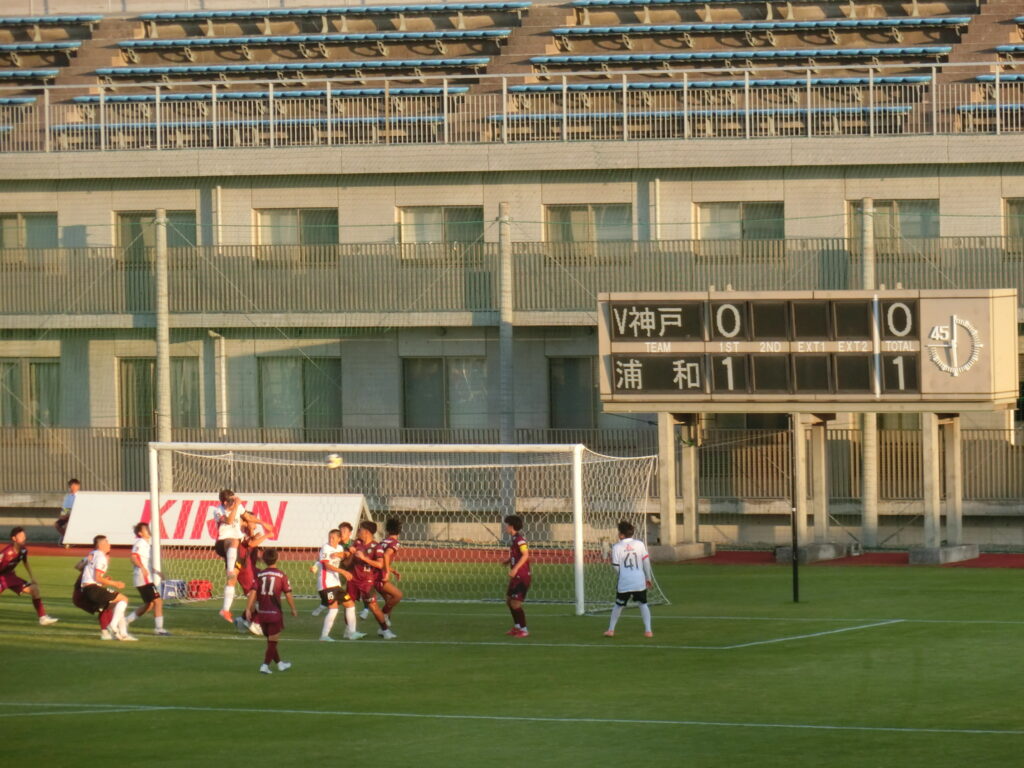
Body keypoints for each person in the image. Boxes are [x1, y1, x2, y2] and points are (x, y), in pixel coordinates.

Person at [245, 548, 297, 675]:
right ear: (277, 559)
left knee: (270, 641)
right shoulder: (281, 575)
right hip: (275, 613)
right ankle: (265, 666)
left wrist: (248, 608)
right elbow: (288, 593)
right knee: (273, 642)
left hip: (262, 613)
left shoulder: (259, 575)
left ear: (263, 560)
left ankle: (280, 664)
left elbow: (253, 592)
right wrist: (293, 608)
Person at [603, 520, 654, 639]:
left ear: (621, 535)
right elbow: (646, 561)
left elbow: (615, 566)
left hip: (625, 582)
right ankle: (648, 631)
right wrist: (648, 577)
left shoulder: (616, 547)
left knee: (618, 605)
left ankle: (611, 630)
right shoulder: (639, 544)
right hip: (639, 580)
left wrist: (623, 575)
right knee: (643, 604)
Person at [80, 534, 136, 641]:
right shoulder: (101, 557)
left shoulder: (92, 553)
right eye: (107, 542)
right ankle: (112, 625)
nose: (109, 544)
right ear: (101, 545)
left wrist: (87, 569)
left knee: (118, 605)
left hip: (87, 589)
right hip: (92, 588)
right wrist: (115, 583)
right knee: (124, 599)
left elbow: (78, 566)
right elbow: (98, 578)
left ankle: (123, 634)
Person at [0, 527, 59, 626]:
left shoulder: (23, 550)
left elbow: (25, 562)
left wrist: (33, 577)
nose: (24, 538)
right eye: (21, 536)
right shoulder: (5, 553)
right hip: (1, 577)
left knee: (34, 590)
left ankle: (43, 618)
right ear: (14, 538)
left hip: (10, 576)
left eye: (24, 535)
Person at [213, 489, 255, 623]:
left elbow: (249, 518)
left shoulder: (239, 508)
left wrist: (262, 523)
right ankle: (254, 618)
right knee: (234, 541)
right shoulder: (218, 511)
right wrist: (236, 506)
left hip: (237, 551)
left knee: (232, 580)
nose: (234, 501)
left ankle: (225, 610)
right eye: (231, 500)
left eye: (234, 499)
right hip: (223, 543)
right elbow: (230, 520)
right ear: (225, 502)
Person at [348, 521, 396, 639]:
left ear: (367, 532)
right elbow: (349, 548)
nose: (358, 531)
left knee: (373, 606)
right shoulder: (357, 543)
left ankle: (385, 631)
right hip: (353, 580)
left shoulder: (377, 547)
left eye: (360, 529)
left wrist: (364, 558)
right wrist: (349, 549)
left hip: (366, 581)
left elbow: (380, 564)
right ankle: (349, 631)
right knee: (348, 604)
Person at [316, 528, 364, 641]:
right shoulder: (325, 548)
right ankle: (324, 636)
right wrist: (343, 571)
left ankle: (351, 633)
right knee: (334, 609)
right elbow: (327, 566)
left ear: (339, 539)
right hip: (326, 585)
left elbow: (343, 555)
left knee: (350, 604)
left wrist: (343, 553)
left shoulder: (339, 548)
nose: (331, 540)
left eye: (333, 538)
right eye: (330, 537)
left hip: (336, 584)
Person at [124, 523, 170, 636]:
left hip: (145, 577)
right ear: (140, 533)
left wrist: (156, 572)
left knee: (149, 605)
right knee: (158, 601)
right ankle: (159, 628)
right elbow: (133, 557)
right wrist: (142, 568)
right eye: (145, 529)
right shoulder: (140, 542)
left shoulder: (145, 544)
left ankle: (125, 621)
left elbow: (144, 562)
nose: (148, 531)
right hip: (143, 578)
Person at [313, 521, 355, 618]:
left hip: (347, 571)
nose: (342, 533)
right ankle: (324, 604)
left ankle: (325, 604)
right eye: (341, 530)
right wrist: (315, 565)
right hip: (338, 573)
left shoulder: (352, 543)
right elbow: (322, 559)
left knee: (349, 600)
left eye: (344, 531)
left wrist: (342, 554)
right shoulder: (329, 546)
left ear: (350, 533)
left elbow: (348, 553)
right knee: (333, 602)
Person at [72, 558, 115, 639]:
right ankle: (106, 632)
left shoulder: (91, 569)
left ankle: (109, 630)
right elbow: (92, 587)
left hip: (81, 594)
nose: (109, 559)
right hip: (82, 596)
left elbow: (78, 567)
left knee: (107, 605)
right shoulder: (93, 570)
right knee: (106, 605)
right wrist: (106, 582)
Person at [504, 515, 530, 638]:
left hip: (522, 576)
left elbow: (525, 554)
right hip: (516, 576)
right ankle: (517, 627)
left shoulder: (520, 540)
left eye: (507, 525)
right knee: (509, 601)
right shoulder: (514, 539)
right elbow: (518, 555)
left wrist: (515, 569)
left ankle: (524, 630)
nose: (505, 527)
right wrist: (509, 560)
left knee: (515, 604)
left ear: (511, 526)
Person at [376, 517, 403, 627]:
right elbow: (386, 555)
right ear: (399, 531)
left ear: (387, 530)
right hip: (379, 576)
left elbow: (380, 560)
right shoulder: (395, 542)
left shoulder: (382, 541)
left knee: (388, 600)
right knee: (398, 596)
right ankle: (383, 615)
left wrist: (392, 570)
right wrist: (387, 572)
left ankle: (383, 629)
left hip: (375, 573)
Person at [55, 478, 80, 542]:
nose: (72, 487)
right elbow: (65, 508)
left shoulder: (80, 496)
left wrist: (69, 515)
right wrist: (62, 515)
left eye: (74, 486)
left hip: (77, 516)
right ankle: (66, 537)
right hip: (68, 515)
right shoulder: (67, 496)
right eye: (71, 486)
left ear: (78, 486)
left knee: (69, 526)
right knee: (57, 525)